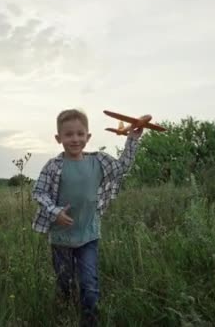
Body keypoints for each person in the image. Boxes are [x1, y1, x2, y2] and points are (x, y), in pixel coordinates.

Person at [31, 108, 142, 326]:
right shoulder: (54, 166)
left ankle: (89, 321)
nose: (75, 139)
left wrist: (132, 140)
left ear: (88, 137)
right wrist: (55, 212)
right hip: (61, 238)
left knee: (90, 284)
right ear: (58, 138)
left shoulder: (99, 162)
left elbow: (122, 168)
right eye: (69, 134)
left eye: (80, 134)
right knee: (65, 282)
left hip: (89, 235)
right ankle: (64, 314)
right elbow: (39, 192)